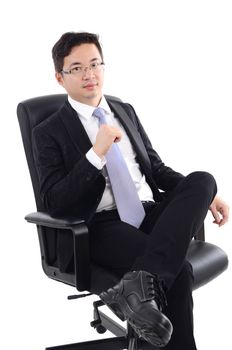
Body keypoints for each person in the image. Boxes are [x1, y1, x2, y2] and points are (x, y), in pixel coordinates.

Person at [32, 32, 229, 349]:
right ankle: (148, 287)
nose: (90, 74)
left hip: (150, 214)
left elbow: (157, 169)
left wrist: (207, 196)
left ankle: (138, 286)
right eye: (77, 67)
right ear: (60, 77)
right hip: (101, 225)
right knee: (177, 273)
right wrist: (95, 154)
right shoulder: (48, 130)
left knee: (204, 179)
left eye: (95, 64)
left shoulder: (124, 111)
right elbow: (54, 202)